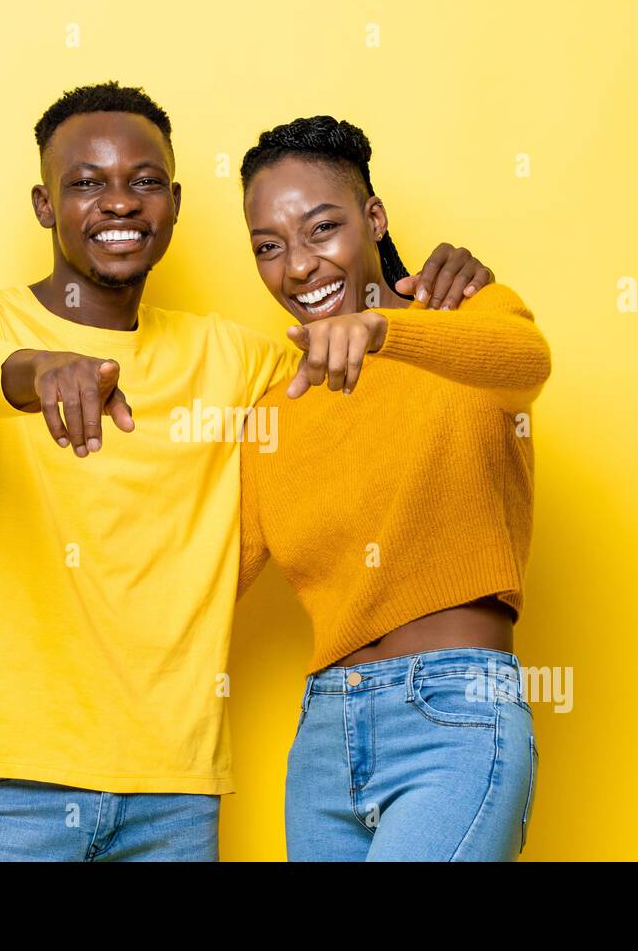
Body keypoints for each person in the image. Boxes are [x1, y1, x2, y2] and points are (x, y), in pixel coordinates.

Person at [0, 84, 491, 861]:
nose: (118, 203)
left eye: (143, 182)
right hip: (6, 793)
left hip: (173, 805)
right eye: (86, 183)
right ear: (45, 205)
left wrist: (437, 286)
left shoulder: (234, 359)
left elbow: (367, 364)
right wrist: (36, 371)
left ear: (173, 204)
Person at [236, 115, 552, 861]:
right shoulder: (275, 412)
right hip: (323, 739)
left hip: (455, 716)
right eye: (268, 247)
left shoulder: (466, 319)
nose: (300, 266)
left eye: (322, 229)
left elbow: (526, 365)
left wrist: (386, 330)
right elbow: (208, 574)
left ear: (373, 219)